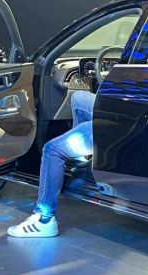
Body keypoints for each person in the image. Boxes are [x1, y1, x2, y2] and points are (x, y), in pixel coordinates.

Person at [7, 90, 96, 238]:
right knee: (78, 98)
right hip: (119, 108)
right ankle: (81, 160)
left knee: (52, 150)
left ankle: (44, 219)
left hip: (121, 121)